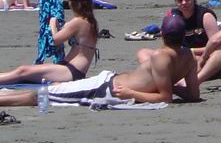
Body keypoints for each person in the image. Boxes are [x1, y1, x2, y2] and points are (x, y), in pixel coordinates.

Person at [0, 14, 200, 107]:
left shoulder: (160, 57)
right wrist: (170, 86)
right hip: (106, 82)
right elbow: (192, 94)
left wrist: (132, 93)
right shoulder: (189, 57)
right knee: (53, 91)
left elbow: (165, 98)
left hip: (106, 88)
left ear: (162, 34)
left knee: (44, 96)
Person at [0, 0, 99, 84]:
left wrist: (52, 23)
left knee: (23, 71)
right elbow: (67, 32)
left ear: (75, 4)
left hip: (71, 71)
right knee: (24, 72)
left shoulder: (78, 22)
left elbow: (55, 40)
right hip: (72, 68)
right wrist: (58, 26)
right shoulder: (90, 21)